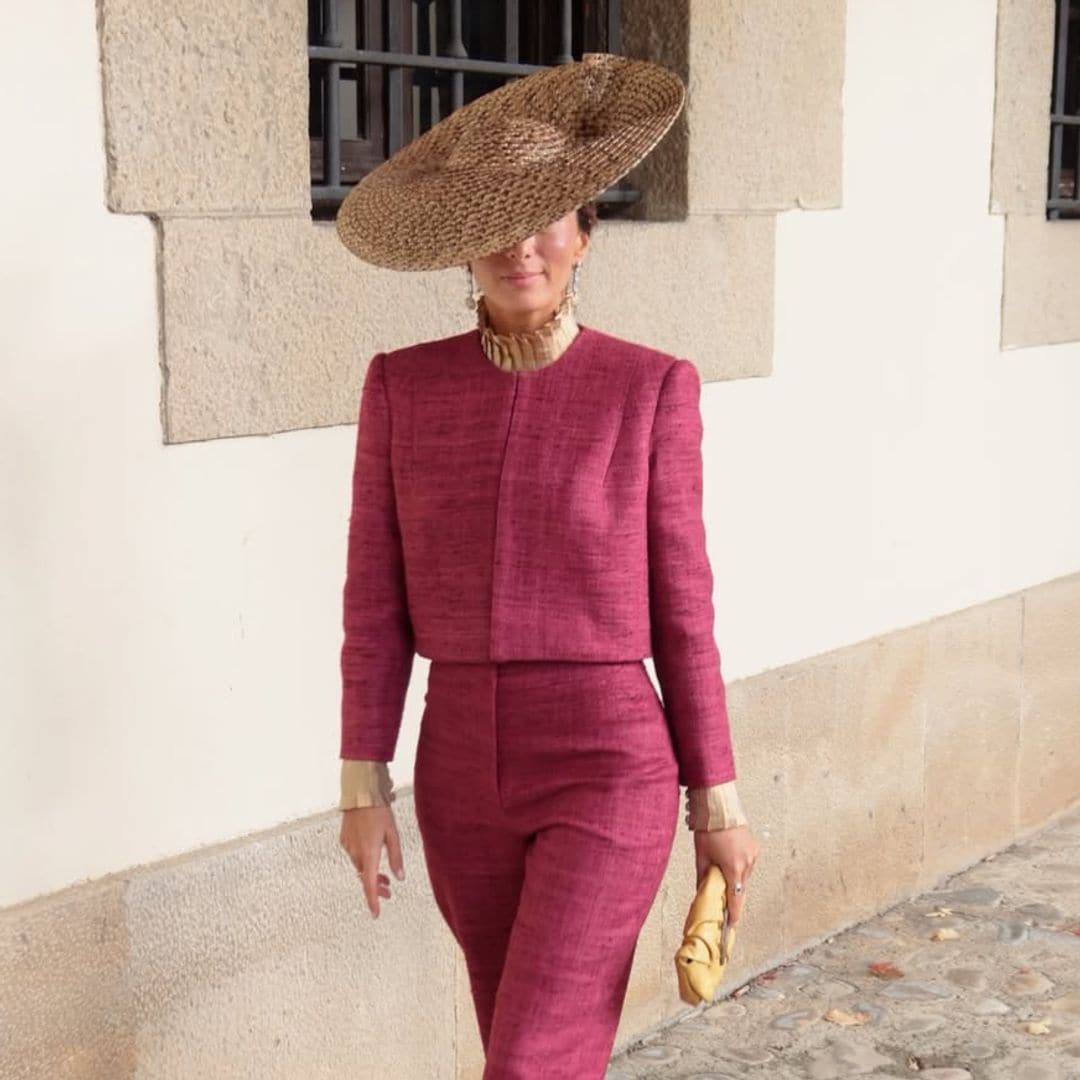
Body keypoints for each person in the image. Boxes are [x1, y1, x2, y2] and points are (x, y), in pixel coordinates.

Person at [333, 53, 760, 1079]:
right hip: (457, 761)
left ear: (583, 232)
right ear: (461, 245)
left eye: (546, 218)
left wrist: (717, 803)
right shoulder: (401, 388)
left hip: (608, 757)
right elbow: (374, 602)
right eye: (495, 222)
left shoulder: (650, 389)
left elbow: (685, 611)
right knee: (526, 1045)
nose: (521, 245)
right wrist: (361, 782)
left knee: (529, 1060)